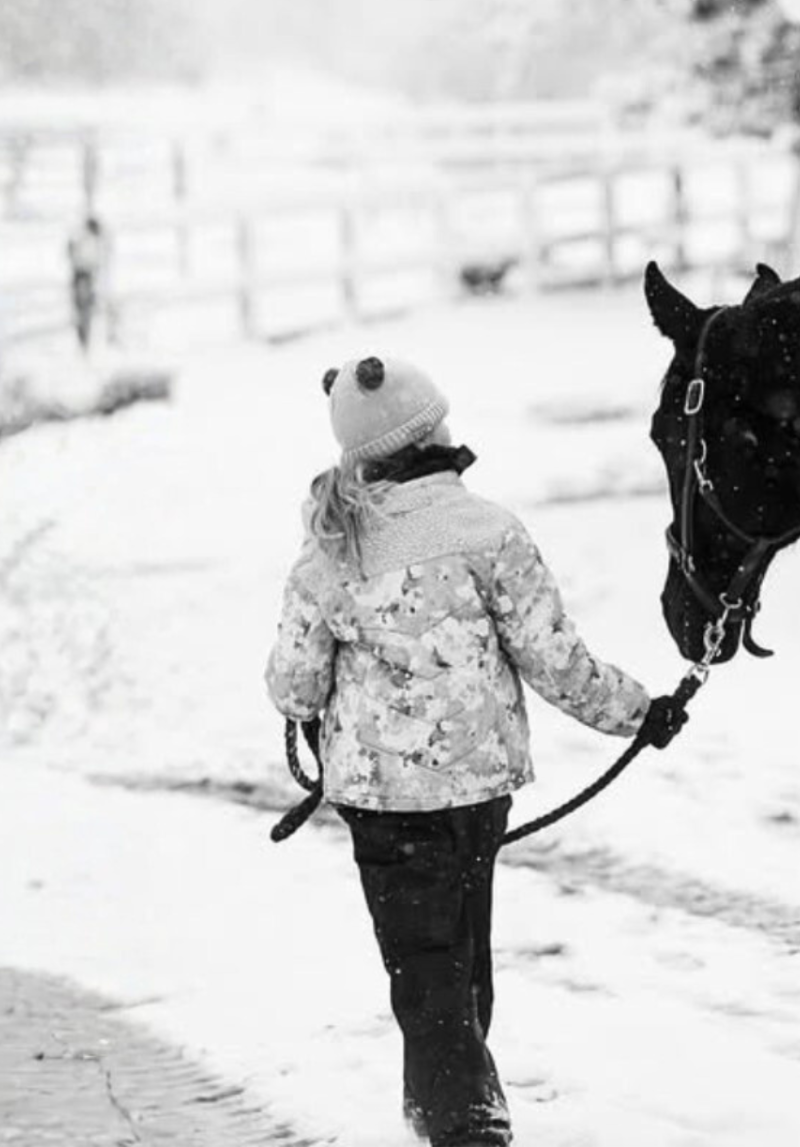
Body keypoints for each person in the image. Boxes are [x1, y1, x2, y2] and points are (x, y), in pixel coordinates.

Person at [265, 355, 652, 1147]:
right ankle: (448, 1109)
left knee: (425, 966)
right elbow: (555, 660)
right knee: (461, 961)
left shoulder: (332, 552)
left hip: (381, 801)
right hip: (477, 791)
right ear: (433, 433)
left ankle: (462, 1124)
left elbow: (296, 686)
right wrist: (640, 714)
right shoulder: (489, 532)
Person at [66, 214, 111, 355]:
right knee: (83, 309)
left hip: (86, 276)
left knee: (85, 310)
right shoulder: (84, 239)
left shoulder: (87, 240)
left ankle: (84, 342)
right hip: (83, 275)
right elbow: (72, 251)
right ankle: (83, 342)